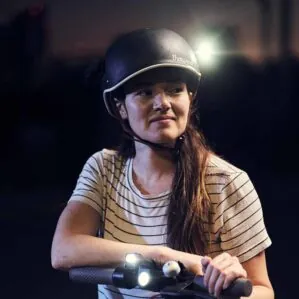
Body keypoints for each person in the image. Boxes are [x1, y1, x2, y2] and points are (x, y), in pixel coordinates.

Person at [51, 28, 274, 299]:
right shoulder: (103, 170)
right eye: (145, 92)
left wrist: (230, 285)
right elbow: (63, 250)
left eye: (174, 90)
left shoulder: (226, 181)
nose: (163, 103)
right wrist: (161, 255)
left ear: (189, 98)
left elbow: (262, 290)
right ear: (121, 107)